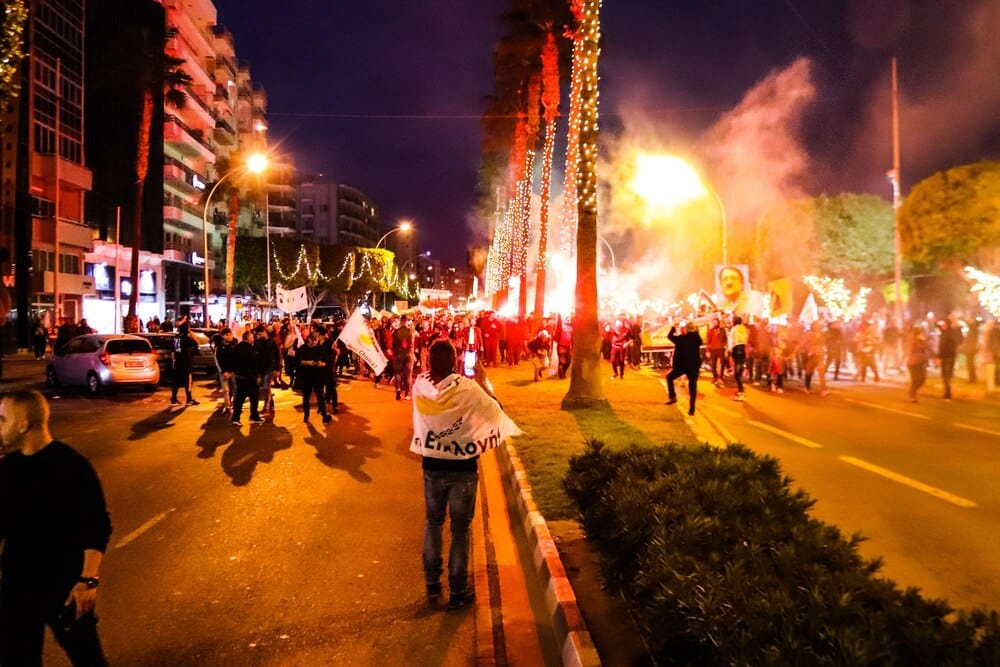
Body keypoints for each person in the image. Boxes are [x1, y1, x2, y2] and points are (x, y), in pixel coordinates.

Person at [0, 390, 112, 666]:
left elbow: (97, 525)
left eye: (3, 419)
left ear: (23, 424)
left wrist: (87, 581)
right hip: (17, 588)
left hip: (64, 588)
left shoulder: (71, 466)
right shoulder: (8, 468)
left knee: (87, 658)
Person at [411, 340, 520, 609]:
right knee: (460, 531)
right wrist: (481, 381)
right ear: (456, 362)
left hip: (432, 466)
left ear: (429, 363)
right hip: (463, 469)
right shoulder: (469, 390)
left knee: (433, 522)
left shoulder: (420, 386)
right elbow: (497, 412)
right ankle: (458, 592)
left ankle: (432, 585)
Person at [666, 321, 703, 416]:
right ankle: (692, 409)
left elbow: (670, 336)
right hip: (693, 366)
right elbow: (699, 339)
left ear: (686, 329)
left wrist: (673, 327)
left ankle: (672, 397)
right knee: (693, 387)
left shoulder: (681, 339)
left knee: (669, 377)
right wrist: (696, 331)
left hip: (681, 366)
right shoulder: (697, 339)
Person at [297, 331, 332, 424]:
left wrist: (321, 364)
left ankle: (324, 416)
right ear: (309, 339)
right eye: (313, 340)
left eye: (316, 340)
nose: (315, 343)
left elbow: (326, 361)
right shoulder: (303, 348)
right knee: (306, 397)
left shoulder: (320, 348)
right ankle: (306, 415)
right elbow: (298, 361)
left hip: (318, 375)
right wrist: (308, 362)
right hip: (306, 376)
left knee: (320, 396)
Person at [230, 331, 263, 426]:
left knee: (239, 398)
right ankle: (253, 416)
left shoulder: (236, 348)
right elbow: (254, 364)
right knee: (254, 398)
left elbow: (233, 361)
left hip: (239, 376)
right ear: (248, 338)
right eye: (252, 337)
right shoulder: (250, 349)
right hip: (250, 378)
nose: (253, 338)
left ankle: (235, 418)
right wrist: (257, 376)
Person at [170, 322, 200, 406]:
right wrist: (191, 332)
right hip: (186, 363)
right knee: (188, 382)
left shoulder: (175, 338)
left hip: (177, 362)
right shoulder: (187, 338)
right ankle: (189, 399)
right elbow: (197, 342)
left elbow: (172, 350)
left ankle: (173, 399)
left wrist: (173, 361)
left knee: (176, 382)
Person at [937, 316, 963, 401]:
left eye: (944, 324)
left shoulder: (947, 335)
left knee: (946, 376)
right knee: (946, 376)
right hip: (950, 357)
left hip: (947, 357)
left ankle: (948, 394)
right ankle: (946, 393)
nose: (943, 325)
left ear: (947, 325)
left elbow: (943, 347)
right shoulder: (948, 333)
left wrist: (939, 356)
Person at [214, 327, 238, 415]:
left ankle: (236, 406)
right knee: (226, 390)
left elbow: (238, 358)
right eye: (227, 335)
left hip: (234, 371)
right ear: (223, 336)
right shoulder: (219, 346)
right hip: (224, 373)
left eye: (230, 334)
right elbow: (217, 359)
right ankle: (227, 407)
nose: (230, 336)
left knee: (236, 390)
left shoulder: (235, 343)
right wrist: (223, 371)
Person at [391, 315, 415, 400]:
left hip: (398, 354)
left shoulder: (396, 332)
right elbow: (411, 344)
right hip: (407, 354)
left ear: (400, 322)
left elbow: (393, 344)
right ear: (406, 322)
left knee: (398, 373)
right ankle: (407, 393)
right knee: (408, 375)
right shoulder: (410, 331)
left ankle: (398, 388)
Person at [905, 326, 930, 403]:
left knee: (922, 379)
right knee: (915, 380)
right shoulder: (913, 340)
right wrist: (917, 341)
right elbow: (910, 349)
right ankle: (912, 395)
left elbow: (927, 348)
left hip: (921, 362)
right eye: (921, 333)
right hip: (913, 363)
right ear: (917, 334)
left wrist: (923, 341)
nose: (922, 335)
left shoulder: (922, 341)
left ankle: (912, 392)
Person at [729, 315, 749, 400]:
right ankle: (740, 391)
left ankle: (741, 393)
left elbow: (731, 340)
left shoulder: (734, 329)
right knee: (738, 371)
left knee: (737, 374)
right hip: (743, 348)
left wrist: (730, 349)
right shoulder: (744, 328)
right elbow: (747, 338)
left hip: (736, 349)